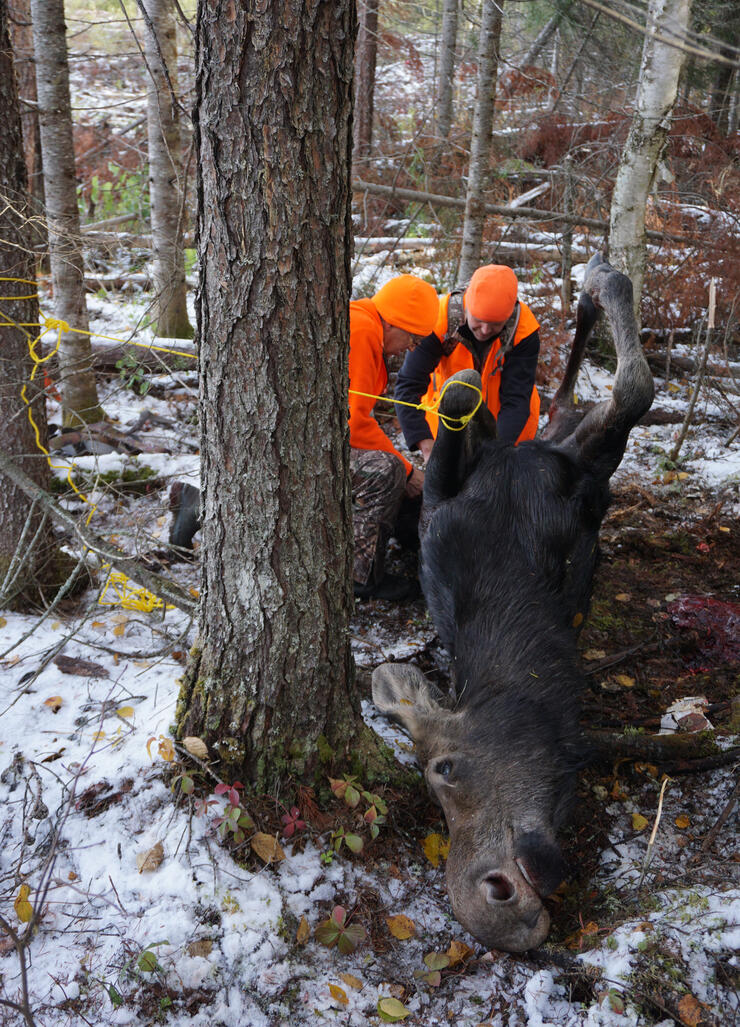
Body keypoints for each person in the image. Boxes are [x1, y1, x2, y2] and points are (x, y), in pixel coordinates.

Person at [168, 274, 439, 603]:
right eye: (413, 338)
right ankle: (359, 576)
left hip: (285, 439)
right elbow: (353, 423)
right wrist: (408, 472)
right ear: (395, 323)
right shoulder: (365, 330)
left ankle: (199, 504)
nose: (411, 348)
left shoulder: (361, 320)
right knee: (385, 471)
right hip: (291, 444)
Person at [394, 264, 541, 462]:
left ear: (509, 315)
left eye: (496, 324)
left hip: (507, 425)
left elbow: (516, 399)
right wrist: (425, 443)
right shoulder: (440, 320)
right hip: (447, 421)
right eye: (478, 320)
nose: (485, 330)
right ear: (467, 307)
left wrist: (498, 452)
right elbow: (408, 385)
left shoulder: (523, 330)